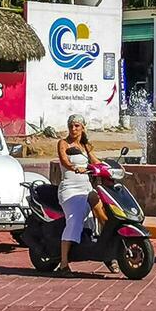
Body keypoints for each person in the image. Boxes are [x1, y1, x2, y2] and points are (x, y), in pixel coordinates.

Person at [54, 114, 101, 275]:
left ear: (83, 127)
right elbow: (64, 161)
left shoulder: (85, 146)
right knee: (75, 220)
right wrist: (75, 167)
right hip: (70, 188)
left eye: (77, 126)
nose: (73, 129)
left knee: (103, 211)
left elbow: (96, 161)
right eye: (71, 126)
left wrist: (110, 167)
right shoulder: (63, 143)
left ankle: (107, 250)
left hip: (86, 187)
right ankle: (64, 263)